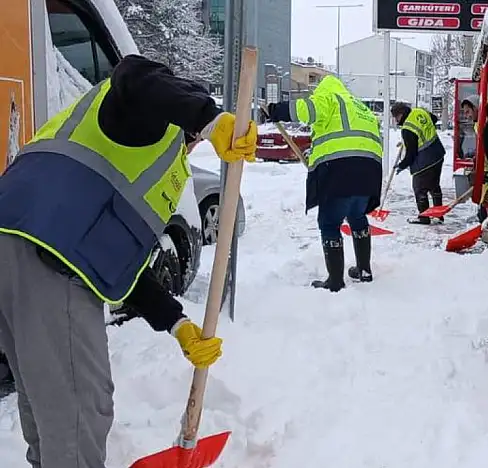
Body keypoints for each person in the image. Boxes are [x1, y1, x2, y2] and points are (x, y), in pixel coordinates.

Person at [0, 54, 257, 467]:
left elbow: (114, 260)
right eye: (197, 138)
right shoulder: (141, 120)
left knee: (45, 400)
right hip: (48, 250)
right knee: (80, 409)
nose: (196, 146)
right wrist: (209, 117)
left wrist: (176, 322)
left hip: (16, 239)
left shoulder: (140, 159)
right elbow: (133, 71)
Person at [268, 76, 383, 290]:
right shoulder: (360, 107)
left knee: (330, 222)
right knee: (357, 216)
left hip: (340, 169)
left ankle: (335, 281)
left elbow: (306, 110)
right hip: (370, 170)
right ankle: (364, 270)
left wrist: (277, 110)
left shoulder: (330, 98)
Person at [390, 102, 446, 225]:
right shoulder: (419, 111)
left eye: (396, 117)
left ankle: (424, 217)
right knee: (434, 185)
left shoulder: (407, 129)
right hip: (438, 154)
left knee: (420, 188)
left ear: (400, 114)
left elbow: (411, 154)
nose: (396, 120)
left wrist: (401, 165)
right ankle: (439, 215)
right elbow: (434, 119)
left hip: (425, 161)